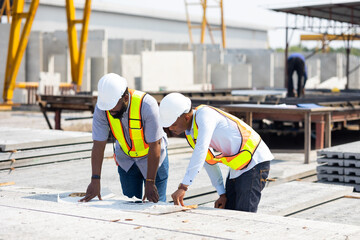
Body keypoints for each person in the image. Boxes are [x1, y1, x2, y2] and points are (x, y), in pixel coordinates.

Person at [159, 93, 273, 212]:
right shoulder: (191, 133)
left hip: (255, 161)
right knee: (229, 210)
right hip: (238, 166)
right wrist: (222, 194)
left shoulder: (205, 115)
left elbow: (201, 151)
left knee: (245, 214)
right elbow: (209, 162)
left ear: (186, 117)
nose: (171, 129)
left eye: (174, 124)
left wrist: (183, 187)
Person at [80, 73, 168, 203]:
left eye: (113, 108)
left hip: (153, 158)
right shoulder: (103, 107)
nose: (110, 111)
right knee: (130, 204)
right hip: (127, 160)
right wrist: (95, 180)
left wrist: (150, 182)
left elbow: (155, 145)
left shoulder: (147, 105)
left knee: (155, 205)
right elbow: (98, 144)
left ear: (125, 98)